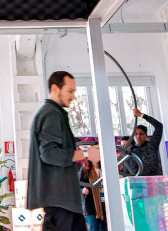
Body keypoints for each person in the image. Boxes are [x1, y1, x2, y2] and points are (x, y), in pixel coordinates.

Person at [27, 71, 100, 231]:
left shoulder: (53, 113)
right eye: (70, 91)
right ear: (55, 89)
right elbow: (49, 154)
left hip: (64, 201)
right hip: (60, 201)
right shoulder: (51, 113)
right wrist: (86, 154)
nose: (73, 96)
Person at [121, 108, 163, 176]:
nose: (138, 136)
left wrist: (141, 115)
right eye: (136, 134)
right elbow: (126, 173)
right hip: (136, 182)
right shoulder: (130, 152)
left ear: (146, 136)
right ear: (133, 136)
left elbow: (159, 126)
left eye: (141, 134)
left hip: (152, 181)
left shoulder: (152, 145)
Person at [79, 162, 105, 231]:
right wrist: (83, 189)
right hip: (91, 206)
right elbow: (78, 185)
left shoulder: (104, 167)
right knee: (94, 228)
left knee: (104, 228)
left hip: (104, 204)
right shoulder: (85, 169)